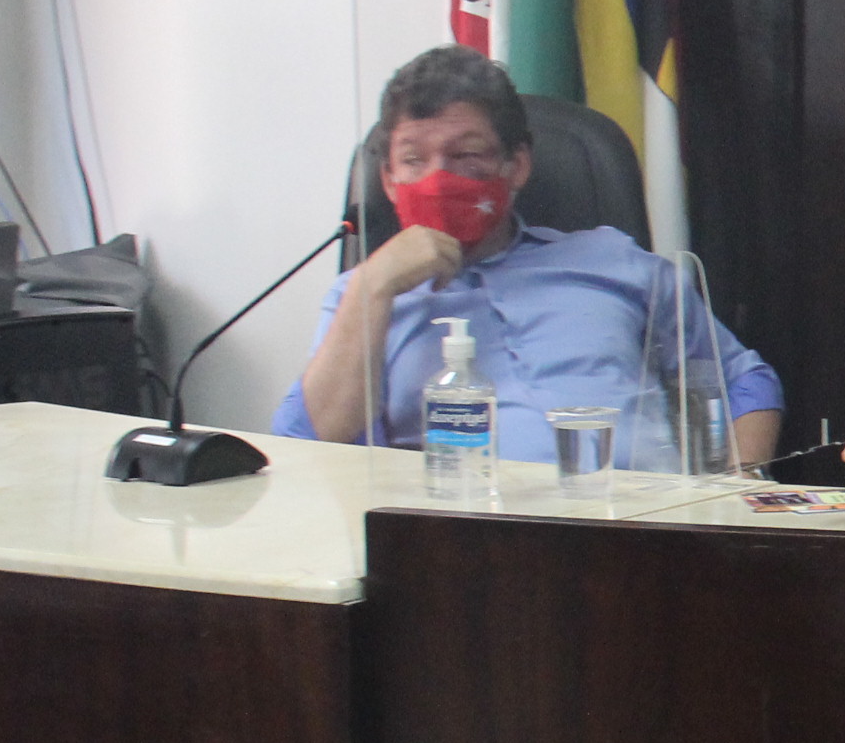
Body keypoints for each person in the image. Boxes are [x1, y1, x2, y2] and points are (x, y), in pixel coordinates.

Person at [277, 48, 783, 466]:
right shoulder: (363, 296)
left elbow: (745, 382)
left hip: (639, 531)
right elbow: (310, 443)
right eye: (413, 159)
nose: (437, 178)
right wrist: (374, 286)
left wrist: (732, 501)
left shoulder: (614, 262)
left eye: (465, 155)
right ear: (388, 181)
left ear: (516, 165)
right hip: (463, 540)